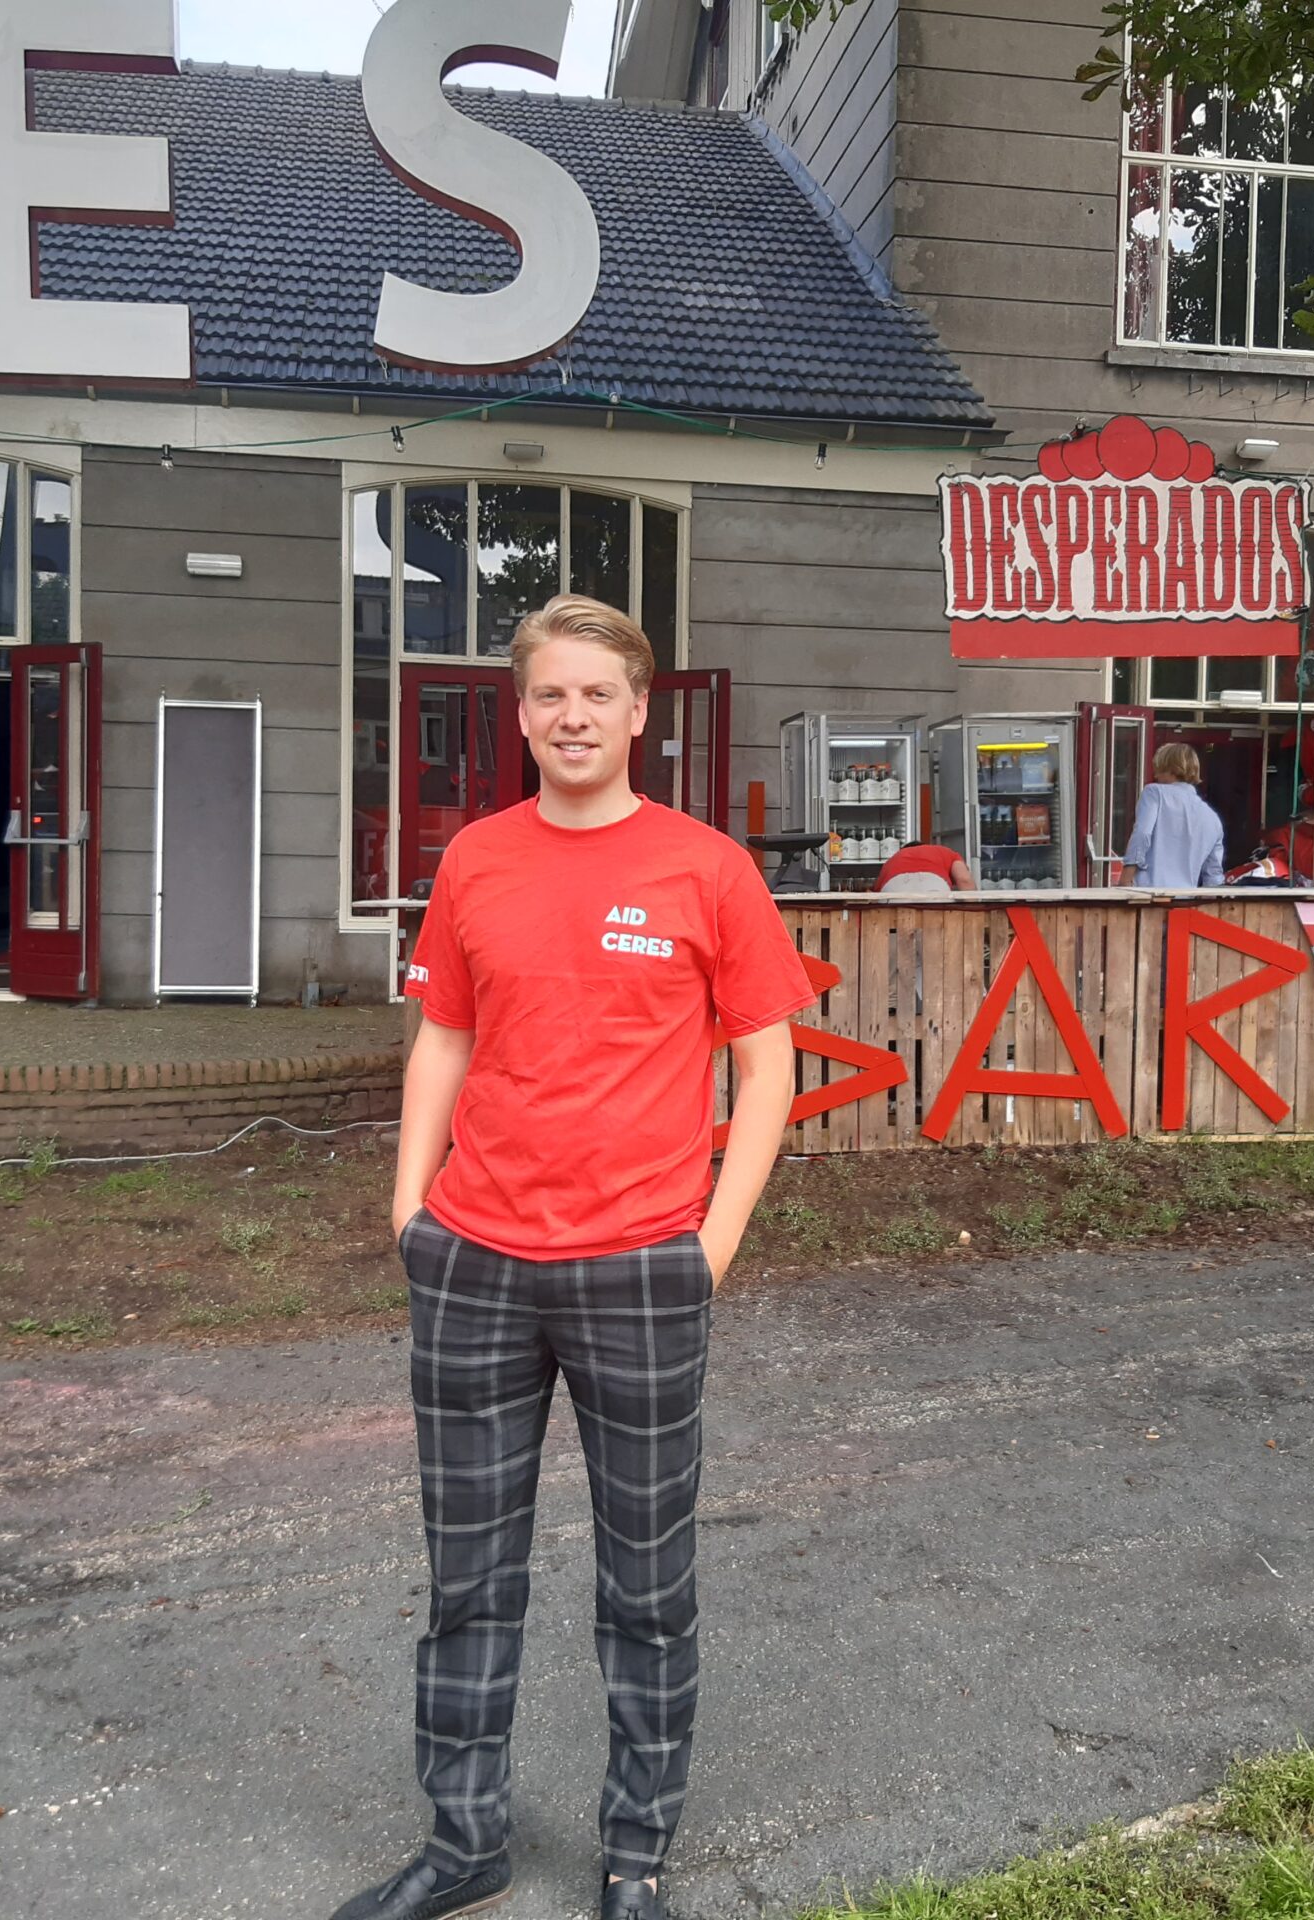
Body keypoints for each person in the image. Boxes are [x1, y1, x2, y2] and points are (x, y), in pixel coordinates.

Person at [337, 595, 810, 1920]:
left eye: (598, 694)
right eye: (551, 695)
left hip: (642, 1270)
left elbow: (768, 1067)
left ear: (639, 709)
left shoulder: (707, 870)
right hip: (475, 1263)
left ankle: (637, 1857)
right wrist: (407, 1208)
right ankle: (463, 1842)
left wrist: (709, 1245)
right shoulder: (477, 861)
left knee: (647, 1586)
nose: (574, 716)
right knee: (468, 1580)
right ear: (523, 710)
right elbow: (443, 1035)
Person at [1122, 742, 1226, 889]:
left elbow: (1142, 834)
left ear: (1171, 769)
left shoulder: (1154, 793)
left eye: (1160, 769)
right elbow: (1213, 876)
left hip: (1148, 895)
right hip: (1185, 900)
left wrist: (1125, 879)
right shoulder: (1213, 818)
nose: (1156, 775)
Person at [872, 839, 976, 897]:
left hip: (894, 887)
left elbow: (876, 894)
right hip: (933, 884)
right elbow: (964, 880)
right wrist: (972, 912)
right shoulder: (944, 852)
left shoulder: (894, 858)